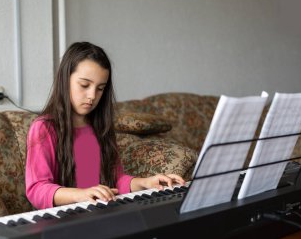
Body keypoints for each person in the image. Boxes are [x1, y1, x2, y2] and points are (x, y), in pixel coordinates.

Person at [25, 41, 185, 209]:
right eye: (84, 85)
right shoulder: (44, 128)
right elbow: (37, 189)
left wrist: (145, 183)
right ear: (65, 80)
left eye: (100, 88)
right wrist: (81, 194)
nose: (92, 95)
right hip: (64, 220)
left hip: (101, 213)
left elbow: (115, 179)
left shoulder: (101, 127)